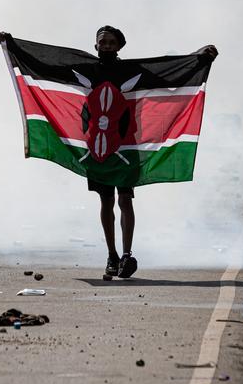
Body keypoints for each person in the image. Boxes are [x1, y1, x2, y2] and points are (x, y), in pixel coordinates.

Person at [92, 26, 218, 278]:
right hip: (97, 146)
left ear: (119, 46)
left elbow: (170, 73)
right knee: (105, 200)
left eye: (111, 42)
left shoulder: (132, 71)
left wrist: (200, 58)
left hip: (127, 146)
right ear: (95, 46)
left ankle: (126, 254)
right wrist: (12, 47)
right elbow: (46, 66)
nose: (106, 45)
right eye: (102, 42)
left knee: (124, 199)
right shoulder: (87, 70)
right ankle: (111, 255)